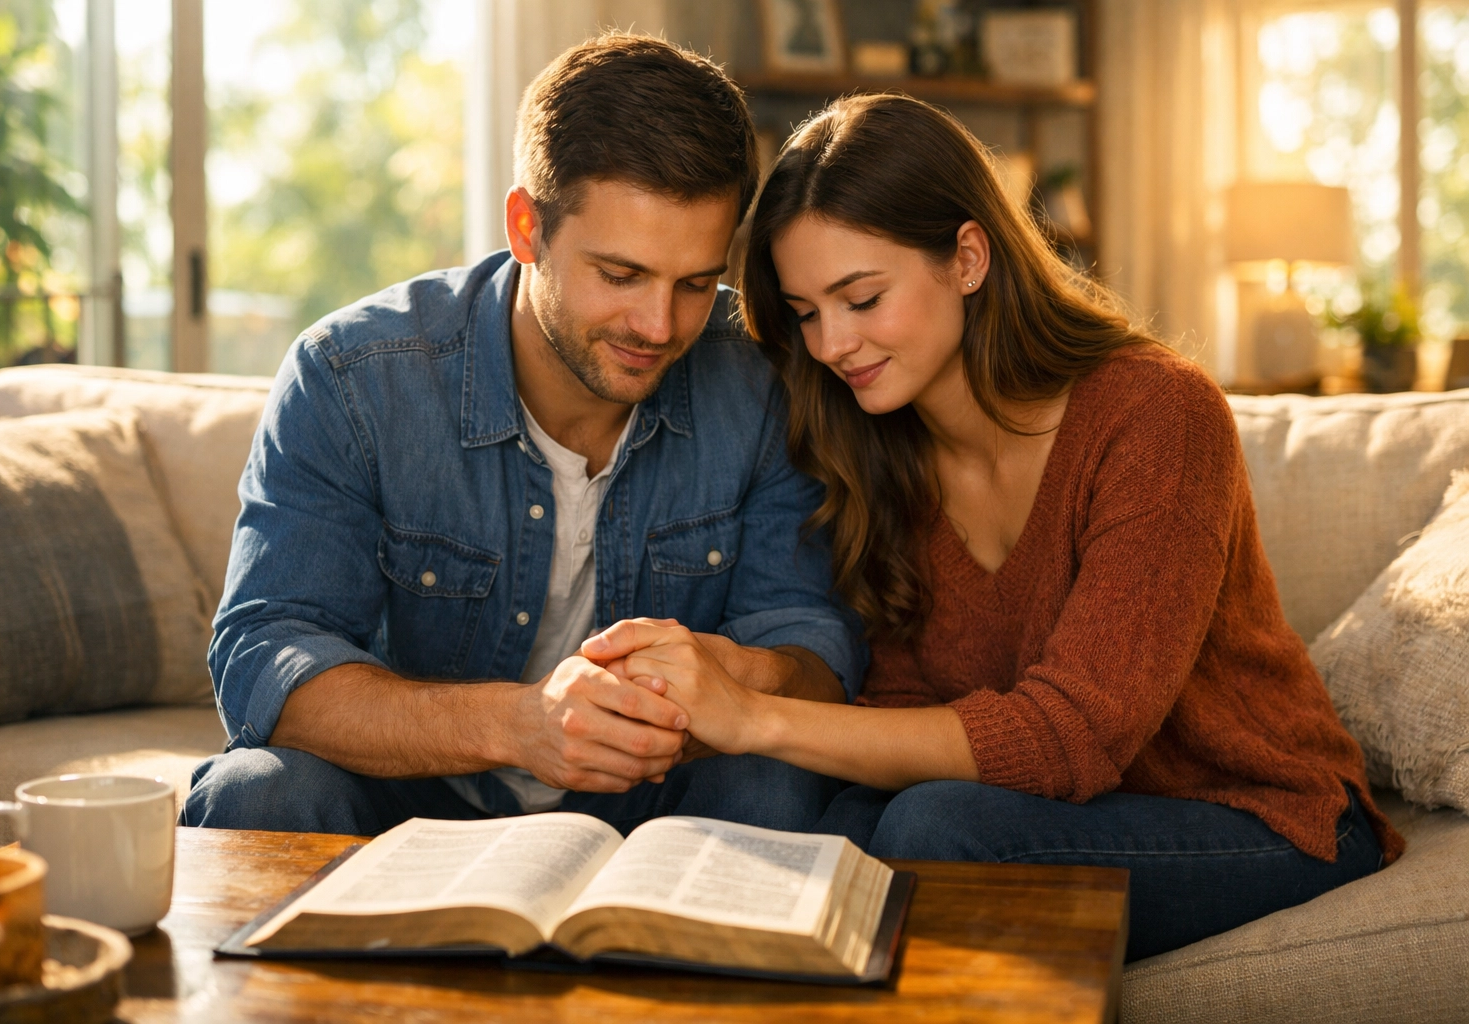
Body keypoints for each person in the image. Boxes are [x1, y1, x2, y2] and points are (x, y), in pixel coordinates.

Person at [581, 93, 1404, 962]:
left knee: (934, 825)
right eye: (808, 312)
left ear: (967, 258)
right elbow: (900, 705)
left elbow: (1073, 736)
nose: (830, 345)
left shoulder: (1158, 415)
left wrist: (753, 714)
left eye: (861, 298)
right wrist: (741, 705)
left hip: (1258, 812)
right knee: (768, 799)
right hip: (1049, 807)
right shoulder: (875, 444)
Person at [180, 35, 859, 838]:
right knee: (258, 792)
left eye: (696, 283)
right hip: (416, 792)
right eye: (621, 274)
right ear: (526, 227)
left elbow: (813, 643)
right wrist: (523, 725)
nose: (659, 325)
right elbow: (265, 658)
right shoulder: (352, 377)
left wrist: (748, 673)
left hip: (657, 799)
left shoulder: (760, 379)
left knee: (777, 789)